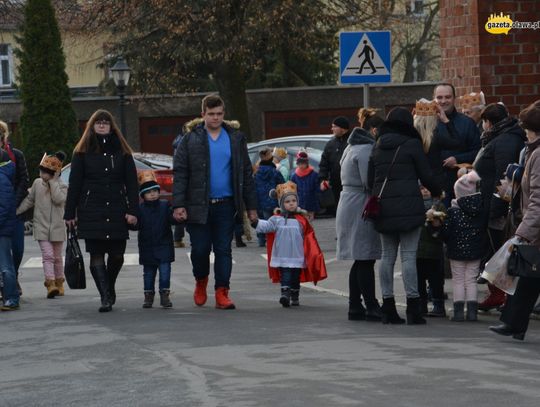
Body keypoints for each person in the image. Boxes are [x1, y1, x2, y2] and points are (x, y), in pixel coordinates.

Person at [173, 94, 258, 310]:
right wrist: (179, 204)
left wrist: (252, 207)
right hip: (198, 205)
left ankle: (222, 292)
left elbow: (245, 172)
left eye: (219, 114)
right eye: (211, 114)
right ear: (203, 114)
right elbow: (181, 173)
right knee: (200, 249)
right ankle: (201, 281)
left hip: (227, 204)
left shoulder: (235, 138)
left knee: (223, 249)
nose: (216, 118)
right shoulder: (190, 138)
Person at [368, 107, 442, 325]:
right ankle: (413, 309)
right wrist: (438, 190)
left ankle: (388, 307)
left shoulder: (378, 145)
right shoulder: (411, 144)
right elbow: (425, 174)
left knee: (387, 257)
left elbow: (369, 180)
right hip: (409, 208)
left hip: (383, 209)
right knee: (409, 257)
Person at [64, 109, 139, 313]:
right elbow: (75, 184)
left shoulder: (123, 152)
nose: (103, 125)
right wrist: (69, 213)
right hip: (91, 208)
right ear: (92, 125)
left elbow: (132, 183)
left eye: (106, 122)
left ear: (111, 126)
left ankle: (109, 285)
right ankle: (105, 296)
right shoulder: (81, 152)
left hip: (116, 207)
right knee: (96, 253)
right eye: (99, 122)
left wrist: (134, 210)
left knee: (117, 255)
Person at [490, 101, 540, 341]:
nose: (524, 132)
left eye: (527, 128)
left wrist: (523, 232)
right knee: (531, 278)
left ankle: (513, 324)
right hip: (535, 229)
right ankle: (514, 324)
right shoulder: (533, 152)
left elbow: (538, 200)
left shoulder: (538, 154)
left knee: (531, 276)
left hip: (535, 229)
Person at [473, 103, 526, 311]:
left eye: (483, 122)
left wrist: (496, 208)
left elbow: (502, 178)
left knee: (500, 252)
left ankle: (502, 296)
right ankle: (498, 295)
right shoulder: (504, 136)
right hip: (495, 202)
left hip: (499, 206)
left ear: (488, 122)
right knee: (498, 252)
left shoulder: (503, 140)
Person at [253, 181, 327, 307]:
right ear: (282, 204)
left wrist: (313, 254)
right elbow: (266, 226)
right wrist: (255, 222)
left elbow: (309, 238)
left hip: (297, 254)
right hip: (283, 254)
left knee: (295, 276)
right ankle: (285, 295)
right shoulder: (276, 219)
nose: (291, 203)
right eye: (287, 202)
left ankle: (294, 295)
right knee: (286, 274)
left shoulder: (302, 220)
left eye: (293, 200)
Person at [336, 125, 382, 321]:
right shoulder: (365, 150)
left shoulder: (350, 147)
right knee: (365, 257)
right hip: (360, 203)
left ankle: (355, 305)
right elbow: (368, 181)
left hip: (348, 202)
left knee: (359, 258)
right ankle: (371, 305)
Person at [428, 171, 485, 322]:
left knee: (458, 280)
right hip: (476, 251)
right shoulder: (480, 210)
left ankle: (459, 313)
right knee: (471, 280)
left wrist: (436, 227)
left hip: (456, 251)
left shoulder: (453, 212)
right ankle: (472, 313)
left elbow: (445, 234)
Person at [16, 152, 68, 298]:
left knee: (57, 257)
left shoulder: (62, 186)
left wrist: (53, 183)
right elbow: (29, 200)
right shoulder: (37, 183)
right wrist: (17, 211)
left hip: (57, 227)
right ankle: (50, 283)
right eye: (41, 171)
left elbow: (58, 200)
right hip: (41, 226)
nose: (42, 174)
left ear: (53, 174)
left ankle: (59, 283)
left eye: (46, 172)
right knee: (48, 255)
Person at [433, 83, 481, 205]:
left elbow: (478, 151)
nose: (443, 101)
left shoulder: (467, 123)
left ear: (454, 99)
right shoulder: (428, 123)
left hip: (461, 185)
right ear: (434, 99)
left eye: (447, 97)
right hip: (434, 185)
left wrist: (457, 159)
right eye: (439, 97)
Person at [136, 171, 177, 309]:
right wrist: (130, 222)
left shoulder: (165, 205)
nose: (152, 194)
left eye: (155, 191)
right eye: (149, 192)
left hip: (164, 245)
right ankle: (148, 296)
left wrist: (178, 218)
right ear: (143, 195)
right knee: (148, 273)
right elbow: (136, 226)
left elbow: (172, 219)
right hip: (147, 246)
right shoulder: (140, 209)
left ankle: (165, 295)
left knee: (165, 272)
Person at [0, 120, 29, 296]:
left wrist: (14, 202)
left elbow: (23, 180)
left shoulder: (16, 155)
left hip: (16, 210)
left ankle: (13, 275)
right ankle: (6, 284)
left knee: (17, 249)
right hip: (2, 209)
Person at [416, 185, 447, 317]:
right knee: (419, 280)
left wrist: (433, 219)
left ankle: (438, 305)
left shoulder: (438, 206)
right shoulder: (414, 206)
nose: (425, 191)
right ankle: (421, 304)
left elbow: (440, 229)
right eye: (422, 189)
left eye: (427, 188)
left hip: (434, 250)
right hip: (418, 250)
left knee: (436, 281)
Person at [319, 116, 350, 213]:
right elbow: (324, 164)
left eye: (334, 126)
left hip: (349, 185)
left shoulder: (351, 143)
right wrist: (323, 179)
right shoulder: (331, 144)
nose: (332, 129)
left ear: (343, 128)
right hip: (335, 186)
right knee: (338, 211)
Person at [0, 149, 19, 311]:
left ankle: (11, 298)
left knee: (6, 266)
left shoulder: (1, 177)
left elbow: (4, 206)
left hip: (2, 229)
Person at [255, 147, 284, 247]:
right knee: (272, 221)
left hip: (259, 200)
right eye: (271, 154)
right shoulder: (274, 172)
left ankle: (261, 240)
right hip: (272, 200)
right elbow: (282, 184)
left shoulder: (256, 172)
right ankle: (272, 240)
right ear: (267, 156)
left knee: (261, 219)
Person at [290, 151, 319, 221]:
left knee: (309, 223)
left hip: (311, 204)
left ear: (307, 163)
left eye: (303, 163)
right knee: (301, 222)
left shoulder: (314, 174)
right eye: (299, 164)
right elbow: (292, 191)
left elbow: (317, 189)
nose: (301, 165)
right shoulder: (294, 176)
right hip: (299, 205)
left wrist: (322, 187)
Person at [172, 131, 186, 248]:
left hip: (180, 178)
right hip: (187, 179)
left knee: (181, 210)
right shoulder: (187, 142)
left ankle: (177, 238)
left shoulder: (178, 142)